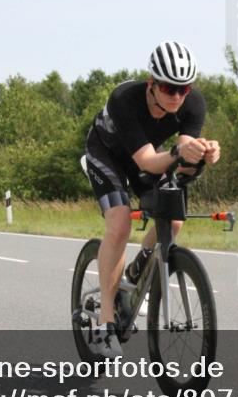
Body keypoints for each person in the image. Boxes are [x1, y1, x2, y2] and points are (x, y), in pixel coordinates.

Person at [82, 41, 220, 358]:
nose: (176, 96)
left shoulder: (193, 103)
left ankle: (134, 275)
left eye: (183, 89)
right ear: (151, 84)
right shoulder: (124, 99)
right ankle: (104, 323)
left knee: (173, 221)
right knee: (118, 225)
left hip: (146, 158)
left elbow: (182, 160)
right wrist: (176, 153)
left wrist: (205, 155)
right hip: (106, 154)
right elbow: (147, 161)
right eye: (168, 88)